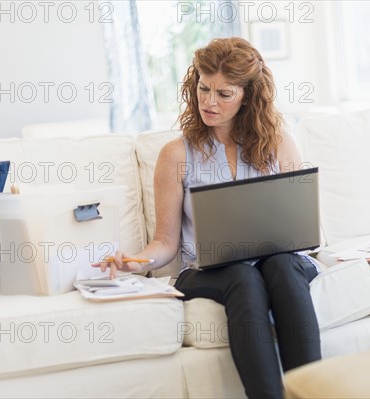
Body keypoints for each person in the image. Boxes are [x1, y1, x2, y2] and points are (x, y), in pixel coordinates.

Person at [98, 37, 321, 399]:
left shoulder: (279, 142)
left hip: (280, 260)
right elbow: (166, 243)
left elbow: (300, 226)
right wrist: (135, 262)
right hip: (208, 272)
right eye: (203, 89)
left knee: (279, 266)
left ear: (248, 96)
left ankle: (313, 392)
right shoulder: (176, 154)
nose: (209, 102)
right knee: (243, 277)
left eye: (224, 94)